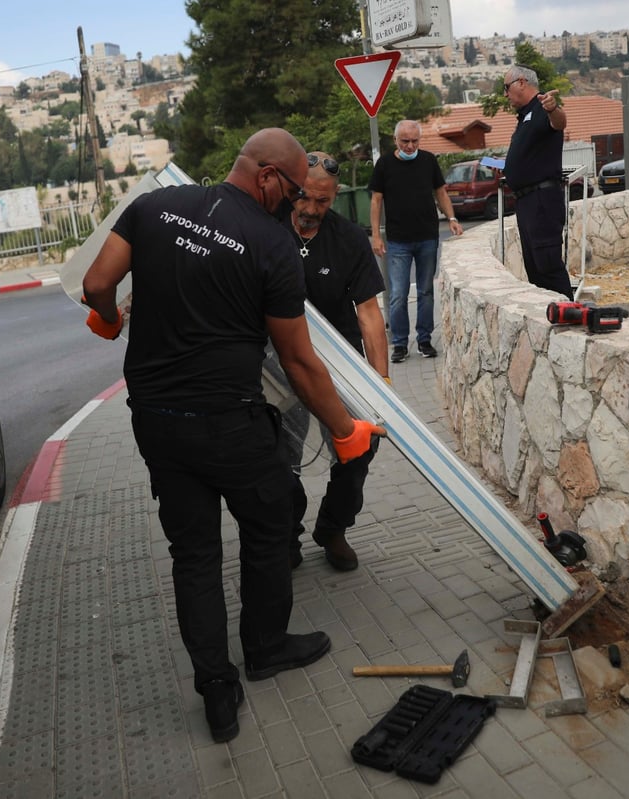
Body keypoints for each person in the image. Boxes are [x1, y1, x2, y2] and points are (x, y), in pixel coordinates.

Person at [82, 128, 385, 744]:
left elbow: (94, 285)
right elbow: (298, 362)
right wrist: (345, 428)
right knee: (270, 526)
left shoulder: (153, 207)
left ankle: (217, 692)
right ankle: (266, 647)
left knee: (192, 554)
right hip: (229, 422)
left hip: (157, 420)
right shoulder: (272, 245)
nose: (297, 202)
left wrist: (111, 319)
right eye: (295, 189)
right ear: (269, 176)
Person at [285, 152, 388, 572]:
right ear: (292, 189)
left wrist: (381, 381)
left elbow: (368, 312)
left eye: (322, 203)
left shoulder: (347, 239)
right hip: (280, 359)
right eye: (304, 199)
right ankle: (284, 531)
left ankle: (333, 527)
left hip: (339, 363)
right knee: (277, 453)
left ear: (336, 196)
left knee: (361, 445)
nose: (311, 210)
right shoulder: (267, 226)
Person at [368, 120, 464, 363]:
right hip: (398, 241)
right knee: (398, 294)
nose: (410, 146)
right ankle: (399, 344)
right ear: (395, 140)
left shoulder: (429, 160)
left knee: (426, 292)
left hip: (427, 238)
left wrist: (451, 218)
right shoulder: (385, 165)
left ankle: (424, 340)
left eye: (414, 141)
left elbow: (440, 192)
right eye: (405, 141)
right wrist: (376, 236)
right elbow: (376, 201)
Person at [502, 64, 574, 299]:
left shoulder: (543, 107)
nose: (505, 94)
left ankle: (569, 316)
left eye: (506, 87)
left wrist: (554, 109)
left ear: (521, 82)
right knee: (534, 270)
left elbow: (559, 123)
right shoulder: (524, 115)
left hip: (542, 200)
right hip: (526, 202)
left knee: (548, 265)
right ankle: (550, 317)